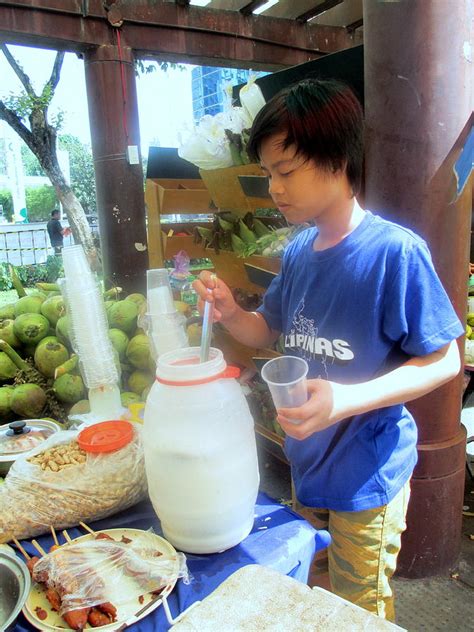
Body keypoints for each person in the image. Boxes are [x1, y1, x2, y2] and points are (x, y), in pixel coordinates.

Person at [194, 78, 463, 621]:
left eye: (286, 171)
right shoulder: (297, 254)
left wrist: (344, 400)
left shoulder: (393, 252)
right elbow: (264, 329)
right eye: (268, 173)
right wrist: (229, 313)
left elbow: (446, 359)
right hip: (308, 464)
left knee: (357, 609)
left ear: (337, 159)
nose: (274, 188)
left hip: (368, 474)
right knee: (309, 590)